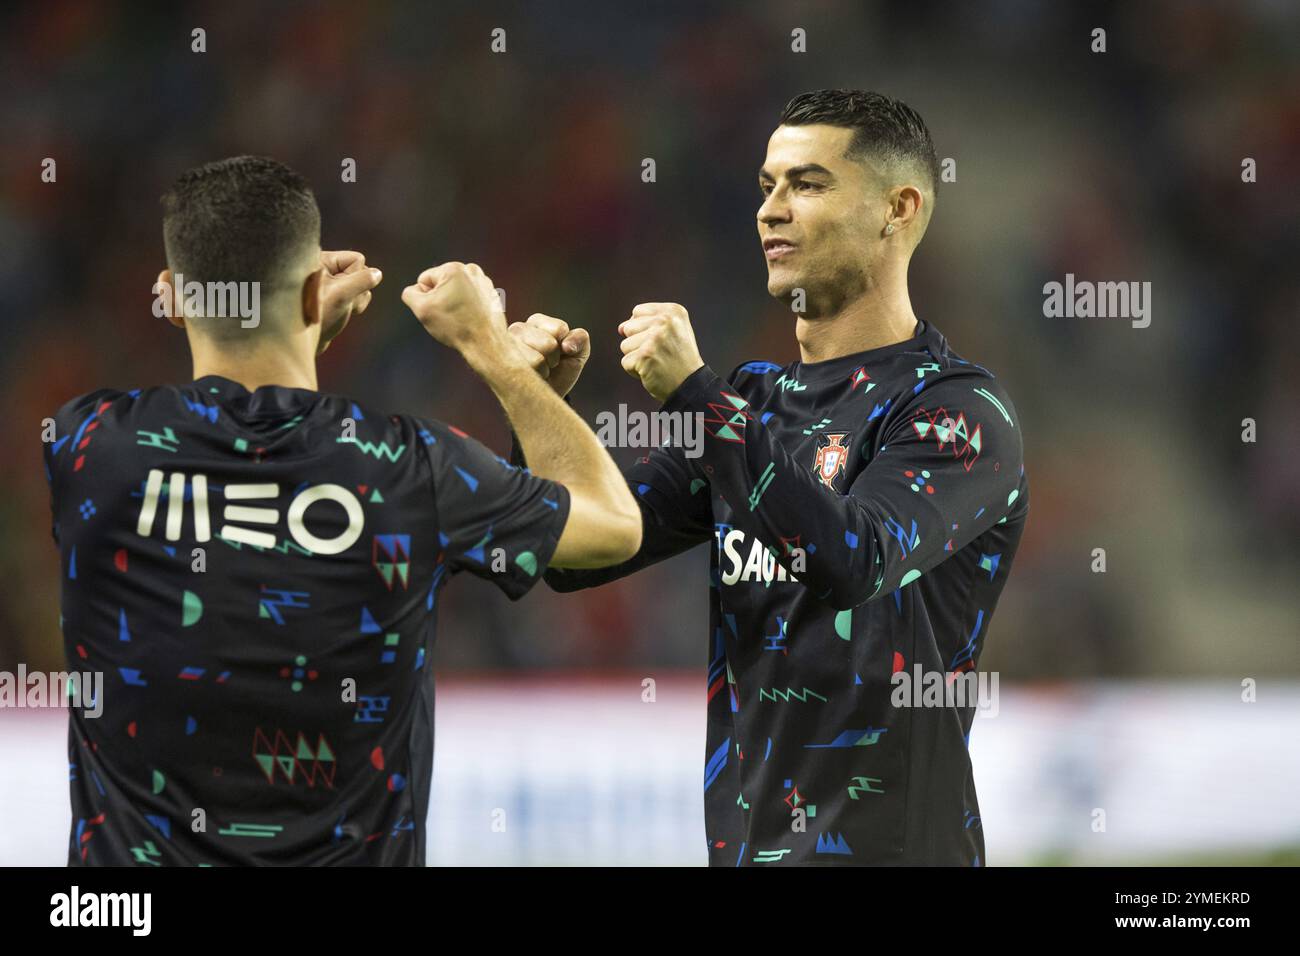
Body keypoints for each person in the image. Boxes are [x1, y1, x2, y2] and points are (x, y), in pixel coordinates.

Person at [41, 155, 640, 866]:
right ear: (311, 299)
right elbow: (615, 525)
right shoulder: (410, 467)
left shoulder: (90, 448)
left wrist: (291, 324)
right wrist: (496, 357)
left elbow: (243, 436)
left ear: (170, 298)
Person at [509, 90, 1030, 865]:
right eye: (766, 186)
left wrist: (695, 395)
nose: (770, 211)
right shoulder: (755, 403)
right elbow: (575, 550)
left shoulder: (956, 411)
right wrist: (532, 402)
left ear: (899, 208)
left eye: (807, 184)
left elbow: (851, 560)